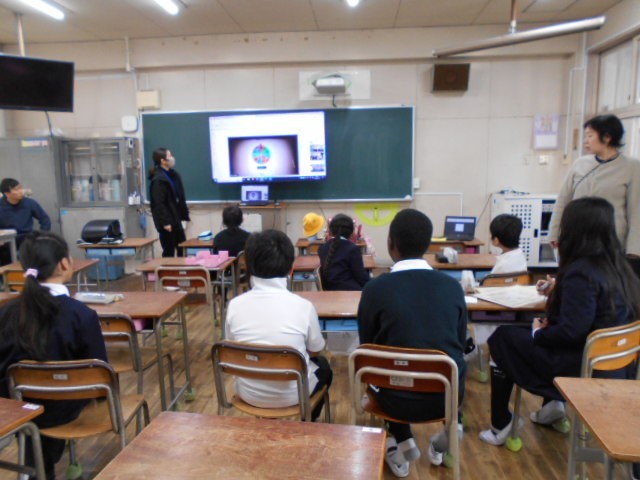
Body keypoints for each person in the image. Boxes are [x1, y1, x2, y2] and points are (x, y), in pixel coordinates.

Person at [480, 197, 640, 447]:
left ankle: (501, 423)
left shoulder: (580, 271)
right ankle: (552, 408)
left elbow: (570, 332)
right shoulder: (619, 266)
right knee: (533, 329)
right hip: (615, 364)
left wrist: (538, 333)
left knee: (503, 337)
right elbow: (595, 306)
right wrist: (559, 288)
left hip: (580, 365)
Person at [357, 209, 467, 478]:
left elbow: (367, 345)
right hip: (445, 397)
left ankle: (402, 440)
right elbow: (460, 341)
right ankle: (450, 432)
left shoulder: (375, 289)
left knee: (386, 367)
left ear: (390, 243)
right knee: (452, 363)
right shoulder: (452, 287)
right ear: (428, 244)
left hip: (392, 399)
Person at [0, 231, 108, 479]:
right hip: (64, 408)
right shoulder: (81, 314)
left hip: (18, 407)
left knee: (36, 417)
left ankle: (35, 467)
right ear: (64, 264)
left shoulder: (6, 313)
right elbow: (100, 378)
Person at [225, 229, 332, 420]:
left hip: (248, 394)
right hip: (294, 396)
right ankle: (309, 420)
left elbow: (233, 348)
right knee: (324, 367)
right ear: (291, 268)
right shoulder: (303, 307)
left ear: (248, 265)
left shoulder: (234, 305)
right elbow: (315, 350)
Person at [548, 115, 640, 273]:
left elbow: (636, 211)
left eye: (590, 136)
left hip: (611, 243)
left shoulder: (632, 167)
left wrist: (634, 250)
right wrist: (554, 233)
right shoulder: (580, 164)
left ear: (607, 137)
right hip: (577, 238)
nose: (586, 141)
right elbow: (563, 201)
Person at [149, 148, 190, 257]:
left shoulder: (172, 175)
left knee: (182, 247)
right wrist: (165, 223)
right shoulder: (158, 179)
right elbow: (159, 203)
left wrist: (183, 214)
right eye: (169, 156)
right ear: (162, 160)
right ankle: (167, 268)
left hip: (176, 218)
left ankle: (182, 267)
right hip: (167, 222)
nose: (172, 158)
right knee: (169, 251)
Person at [0, 178, 51, 256]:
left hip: (26, 239)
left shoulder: (29, 203)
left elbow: (45, 219)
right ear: (7, 194)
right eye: (16, 189)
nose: (21, 191)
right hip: (7, 241)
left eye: (21, 188)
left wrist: (41, 236)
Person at [318, 213, 369, 291]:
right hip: (349, 291)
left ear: (330, 231)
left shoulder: (322, 248)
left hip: (329, 291)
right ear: (352, 233)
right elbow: (361, 277)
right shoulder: (353, 249)